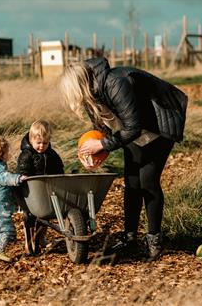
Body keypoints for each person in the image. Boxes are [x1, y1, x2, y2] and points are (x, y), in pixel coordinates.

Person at [59, 57, 188, 261]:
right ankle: (130, 238)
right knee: (131, 182)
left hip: (160, 122)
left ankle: (154, 240)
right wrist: (97, 152)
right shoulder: (91, 95)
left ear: (81, 83)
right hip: (134, 130)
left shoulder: (115, 83)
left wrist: (101, 145)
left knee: (148, 181)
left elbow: (133, 127)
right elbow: (103, 128)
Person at [17, 120, 64, 255]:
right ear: (31, 140)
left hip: (46, 189)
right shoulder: (26, 154)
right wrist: (24, 176)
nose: (42, 146)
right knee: (30, 217)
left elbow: (58, 168)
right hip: (31, 192)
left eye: (45, 143)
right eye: (38, 143)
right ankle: (29, 243)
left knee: (45, 216)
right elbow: (23, 169)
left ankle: (41, 239)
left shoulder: (51, 154)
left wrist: (60, 176)